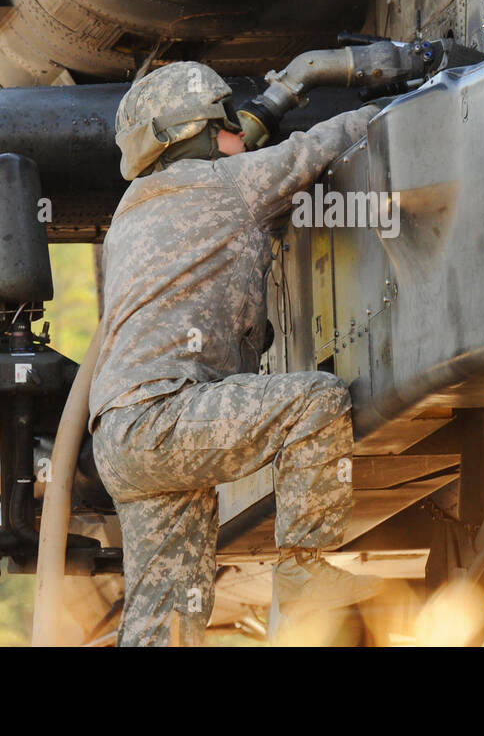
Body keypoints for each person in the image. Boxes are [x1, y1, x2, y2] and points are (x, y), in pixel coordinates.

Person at [90, 60, 383, 646]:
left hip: (123, 441)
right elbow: (318, 148)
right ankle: (302, 572)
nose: (240, 132)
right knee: (316, 403)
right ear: (197, 133)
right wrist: (391, 102)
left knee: (166, 622)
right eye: (226, 121)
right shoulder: (227, 184)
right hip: (167, 417)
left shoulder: (134, 210)